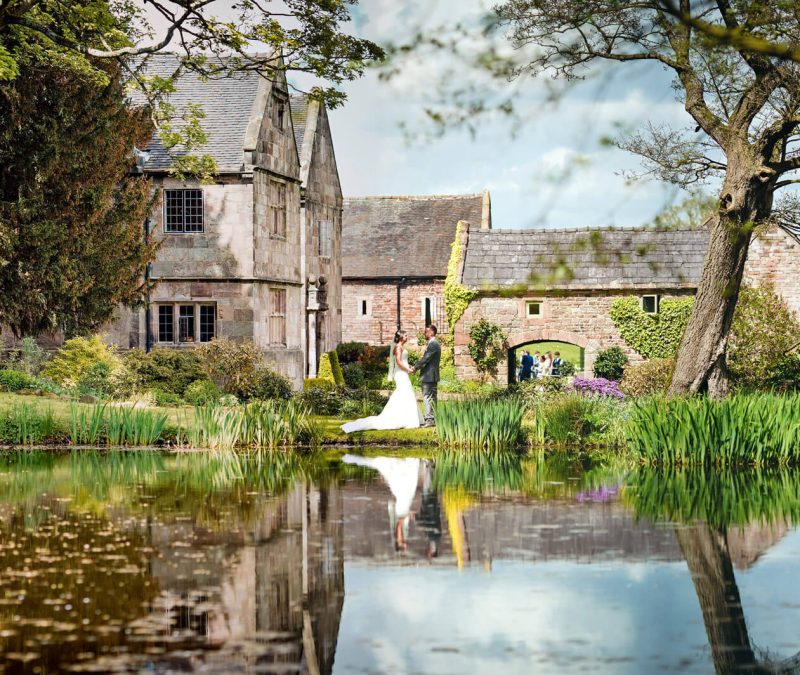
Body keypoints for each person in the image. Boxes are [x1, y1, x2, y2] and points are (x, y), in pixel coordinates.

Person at [340, 330, 422, 432]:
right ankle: (403, 418)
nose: (407, 337)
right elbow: (399, 362)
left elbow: (404, 362)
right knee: (404, 393)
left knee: (406, 393)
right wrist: (408, 369)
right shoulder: (398, 348)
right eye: (405, 335)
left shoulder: (401, 347)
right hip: (400, 374)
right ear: (401, 337)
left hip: (403, 373)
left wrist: (410, 367)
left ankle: (406, 417)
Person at [342, 454, 421, 551]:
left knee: (406, 481)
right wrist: (409, 516)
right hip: (404, 505)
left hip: (402, 508)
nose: (406, 545)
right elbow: (400, 523)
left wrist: (408, 516)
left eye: (402, 545)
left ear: (399, 543)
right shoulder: (401, 535)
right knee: (408, 480)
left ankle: (349, 458)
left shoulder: (399, 533)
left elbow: (399, 523)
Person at [411, 324, 441, 428]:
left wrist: (415, 367)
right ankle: (432, 418)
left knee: (428, 397)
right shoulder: (434, 344)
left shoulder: (433, 344)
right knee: (432, 397)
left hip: (429, 375)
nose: (424, 333)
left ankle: (429, 420)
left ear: (432, 332)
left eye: (426, 332)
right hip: (431, 375)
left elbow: (426, 359)